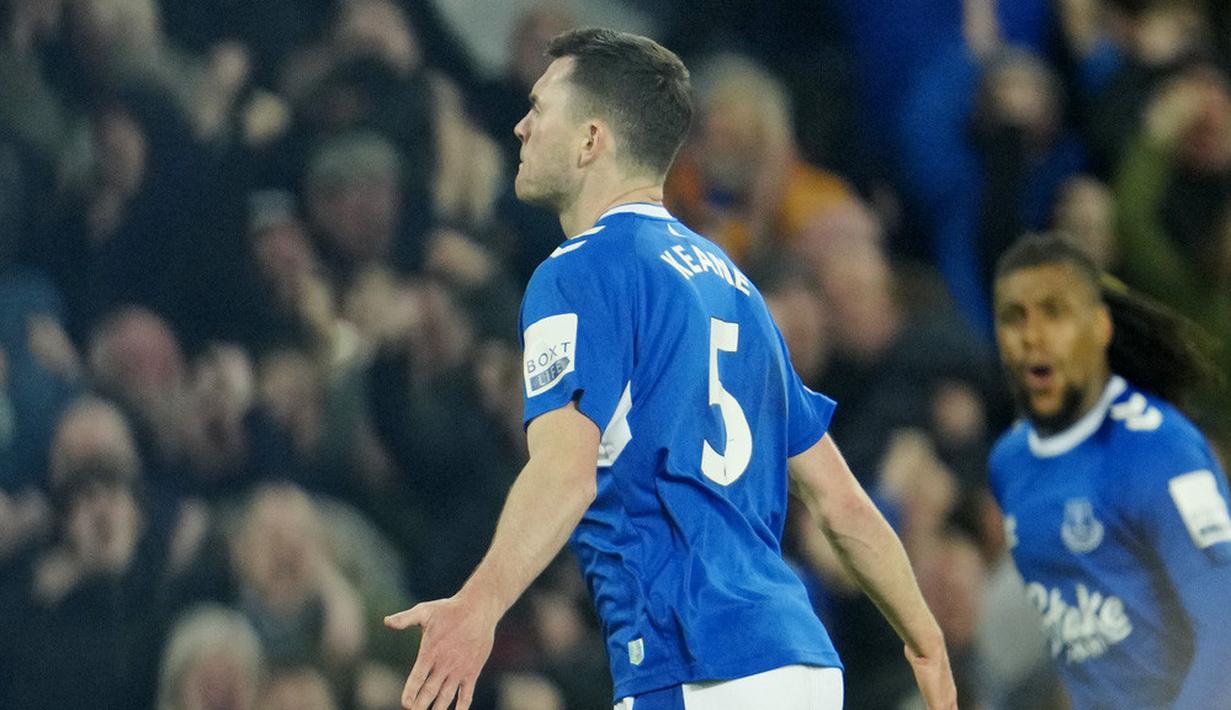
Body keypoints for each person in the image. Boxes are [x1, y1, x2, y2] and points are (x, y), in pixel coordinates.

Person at [385, 28, 956, 710]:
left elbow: (563, 471)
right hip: (798, 662)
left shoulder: (578, 273)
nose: (520, 124)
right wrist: (924, 635)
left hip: (695, 664)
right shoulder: (732, 286)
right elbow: (840, 502)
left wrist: (477, 606)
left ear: (591, 139)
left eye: (539, 108)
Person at [988, 232, 1231, 708]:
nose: (1032, 336)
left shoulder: (1161, 449)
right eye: (1015, 317)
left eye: (1054, 313)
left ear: (1099, 327)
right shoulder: (1010, 464)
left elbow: (1225, 620)